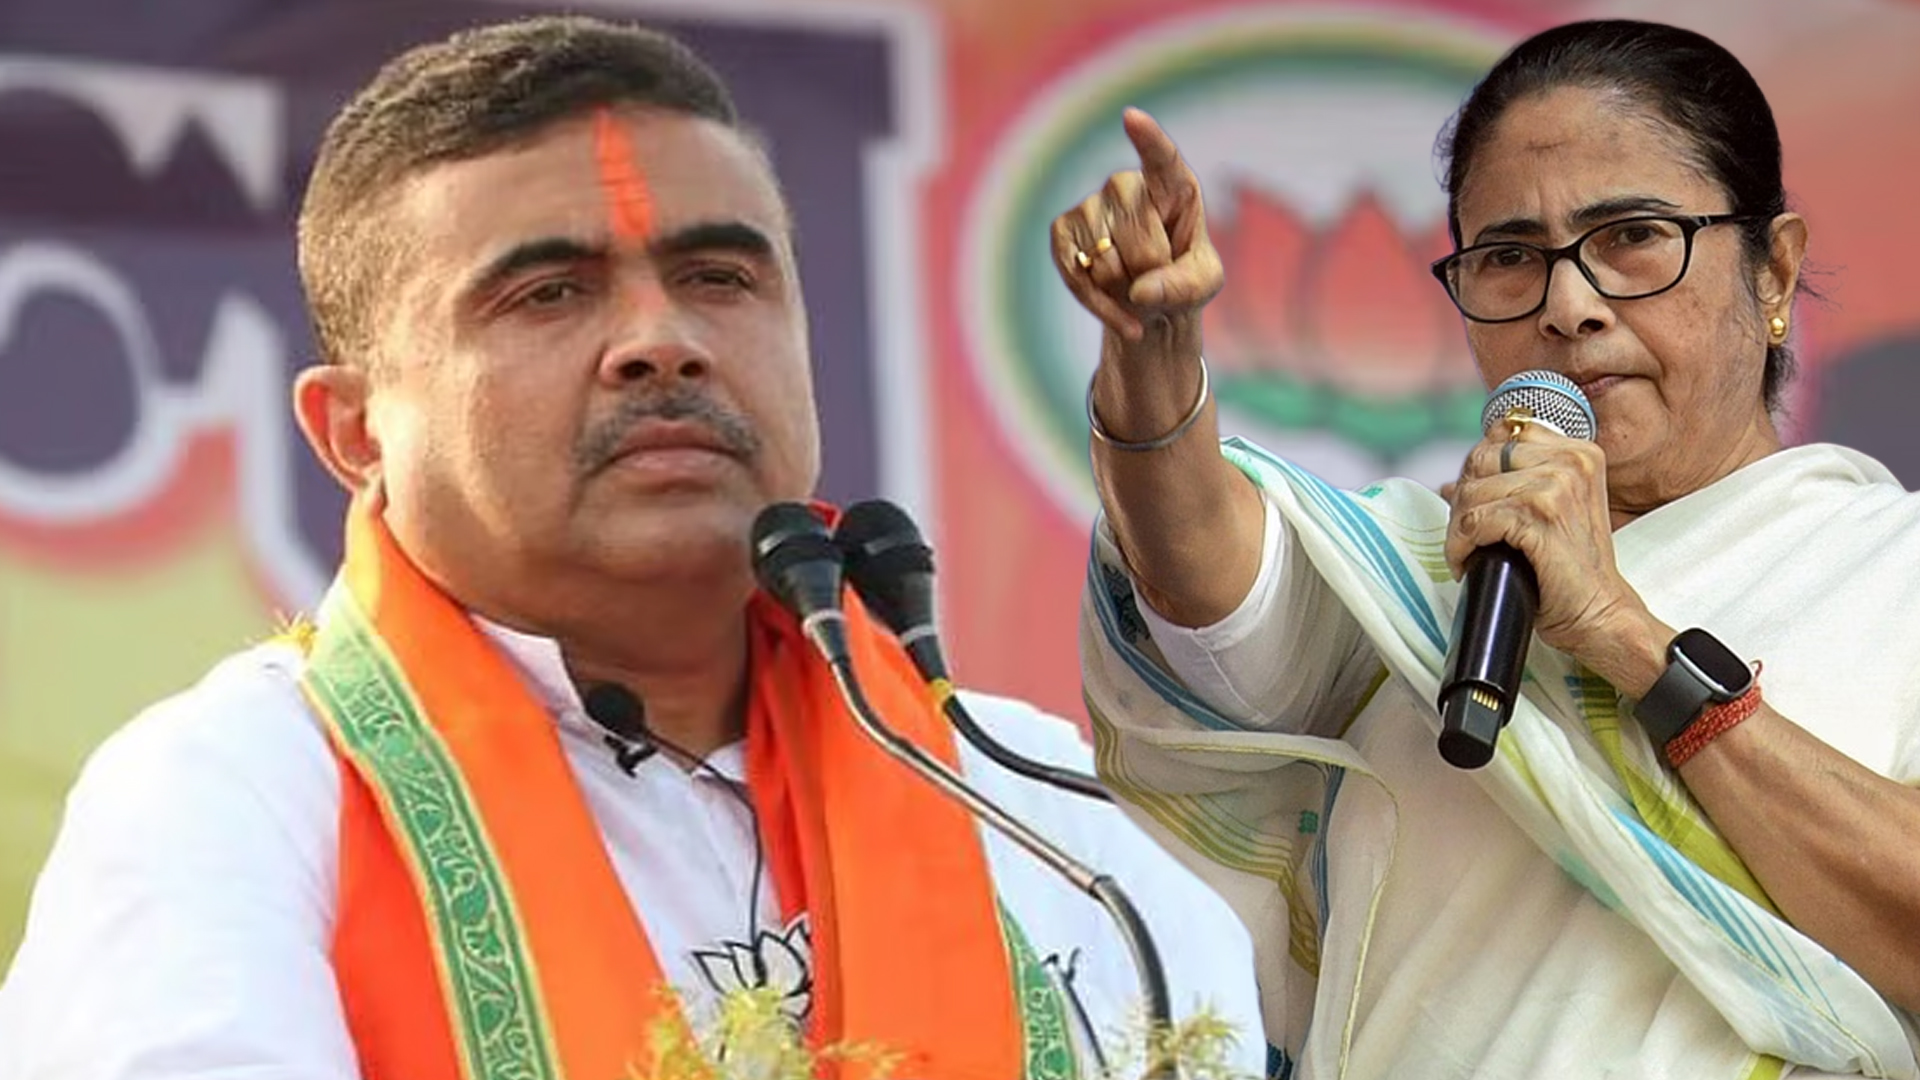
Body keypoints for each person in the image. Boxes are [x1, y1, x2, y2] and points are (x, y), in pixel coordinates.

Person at [0, 16, 1263, 1080]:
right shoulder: (238, 797)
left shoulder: (1046, 808)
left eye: (720, 277)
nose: (662, 341)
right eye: (547, 293)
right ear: (353, 432)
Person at [1057, 18, 1920, 1080]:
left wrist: (1622, 636)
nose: (1569, 305)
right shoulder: (1413, 581)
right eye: (1510, 258)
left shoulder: (1893, 571)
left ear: (1775, 274)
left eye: (1633, 237)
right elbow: (1207, 597)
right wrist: (1152, 355)